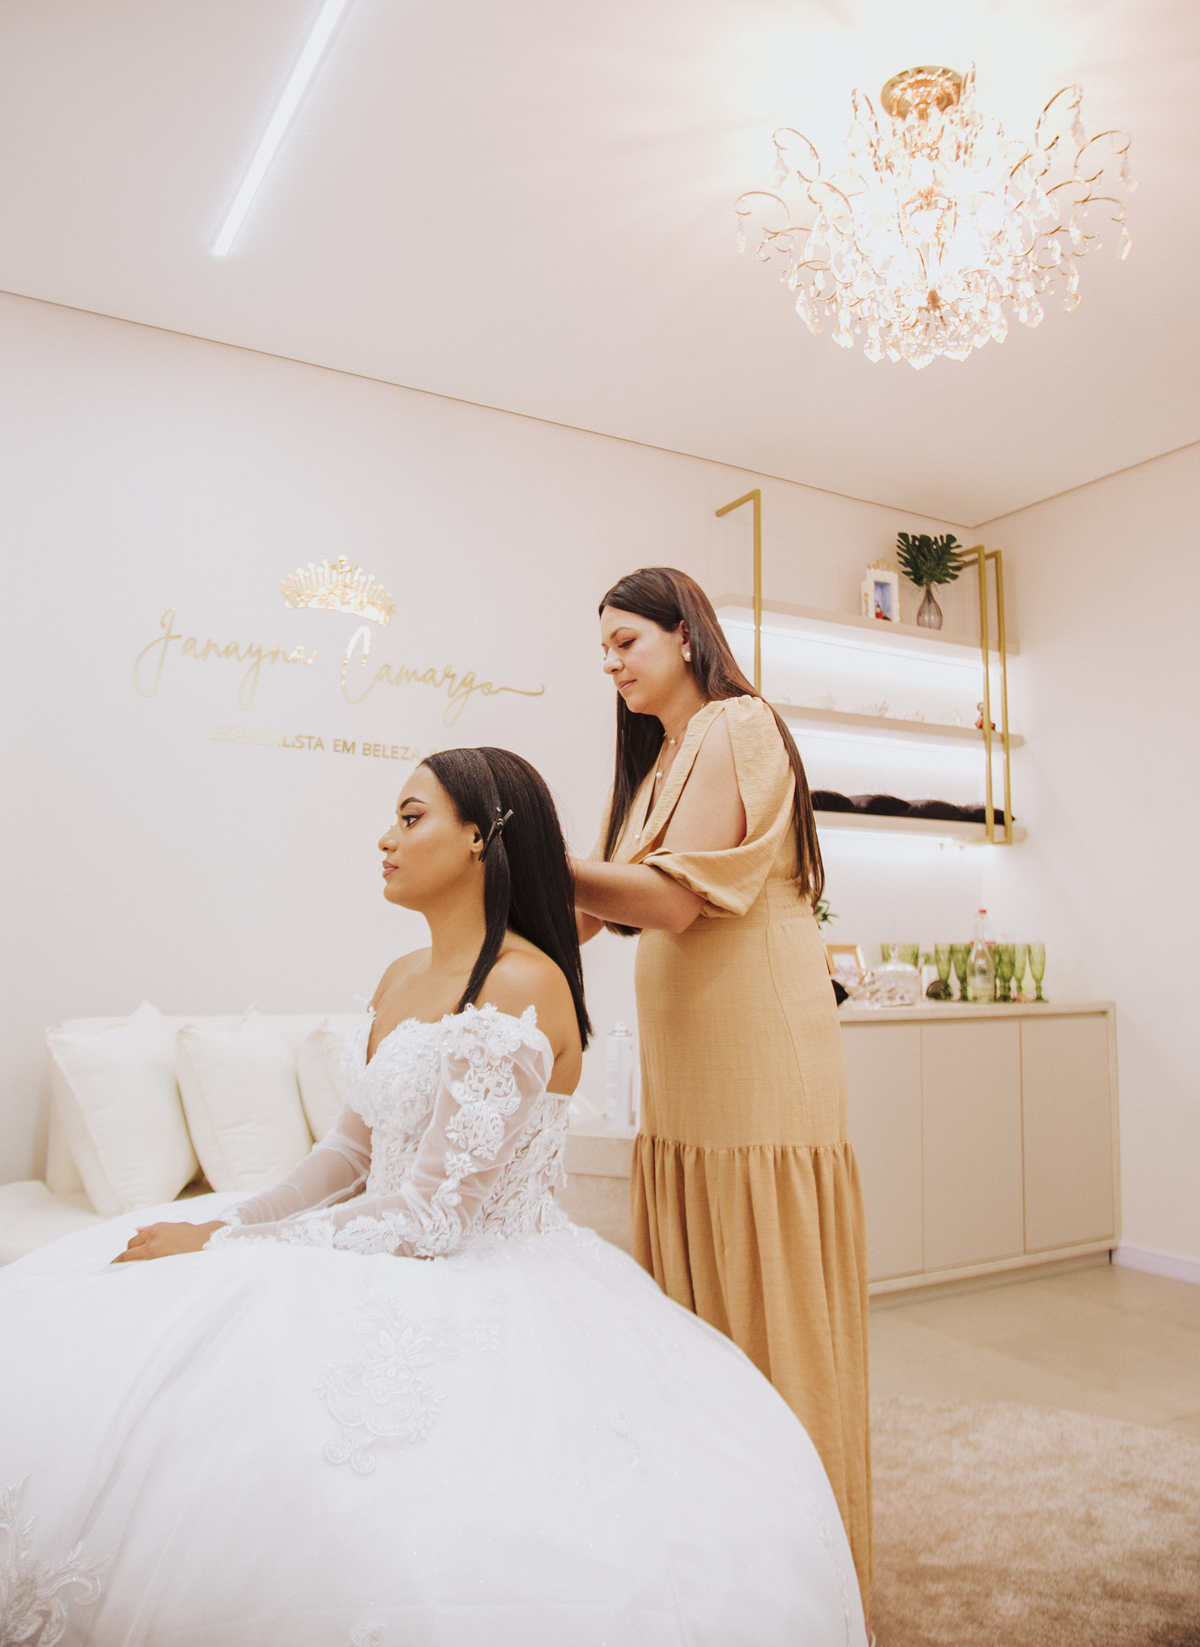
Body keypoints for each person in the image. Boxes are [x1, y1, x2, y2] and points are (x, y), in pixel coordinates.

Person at [0, 747, 866, 1647]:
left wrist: (232, 1250)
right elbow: (349, 1153)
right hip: (374, 1241)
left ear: (481, 839)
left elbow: (433, 1215)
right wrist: (229, 1221)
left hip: (474, 1264)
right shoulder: (398, 978)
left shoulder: (521, 984)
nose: (386, 838)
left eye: (411, 818)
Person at [573, 568, 873, 1611]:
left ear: (686, 635)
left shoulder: (738, 724)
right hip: (689, 1076)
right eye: (603, 649)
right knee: (699, 1308)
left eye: (626, 642)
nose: (611, 665)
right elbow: (594, 912)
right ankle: (727, 1562)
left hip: (756, 1064)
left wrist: (534, 856)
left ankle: (802, 1572)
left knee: (763, 1304)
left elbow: (673, 900)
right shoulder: (657, 761)